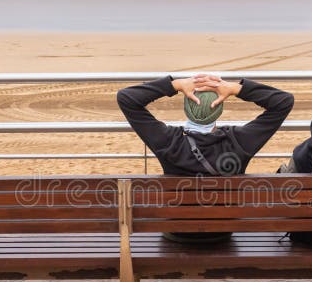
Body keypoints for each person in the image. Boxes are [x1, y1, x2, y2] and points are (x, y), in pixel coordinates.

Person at [117, 73, 294, 242]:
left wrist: (175, 85)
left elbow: (126, 98)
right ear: (219, 108)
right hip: (222, 232)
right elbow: (284, 101)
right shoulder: (238, 141)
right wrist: (235, 88)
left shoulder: (169, 141)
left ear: (186, 108)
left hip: (177, 231)